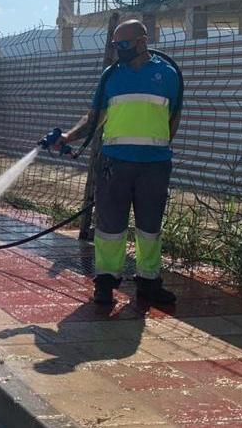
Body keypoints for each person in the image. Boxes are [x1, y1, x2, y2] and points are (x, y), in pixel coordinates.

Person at [59, 19, 182, 305]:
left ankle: (149, 282)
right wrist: (69, 136)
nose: (118, 51)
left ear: (142, 41)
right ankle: (105, 281)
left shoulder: (168, 75)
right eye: (115, 45)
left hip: (154, 165)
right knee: (110, 226)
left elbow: (173, 118)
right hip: (115, 163)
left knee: (150, 226)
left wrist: (158, 146)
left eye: (123, 45)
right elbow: (94, 117)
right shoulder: (111, 77)